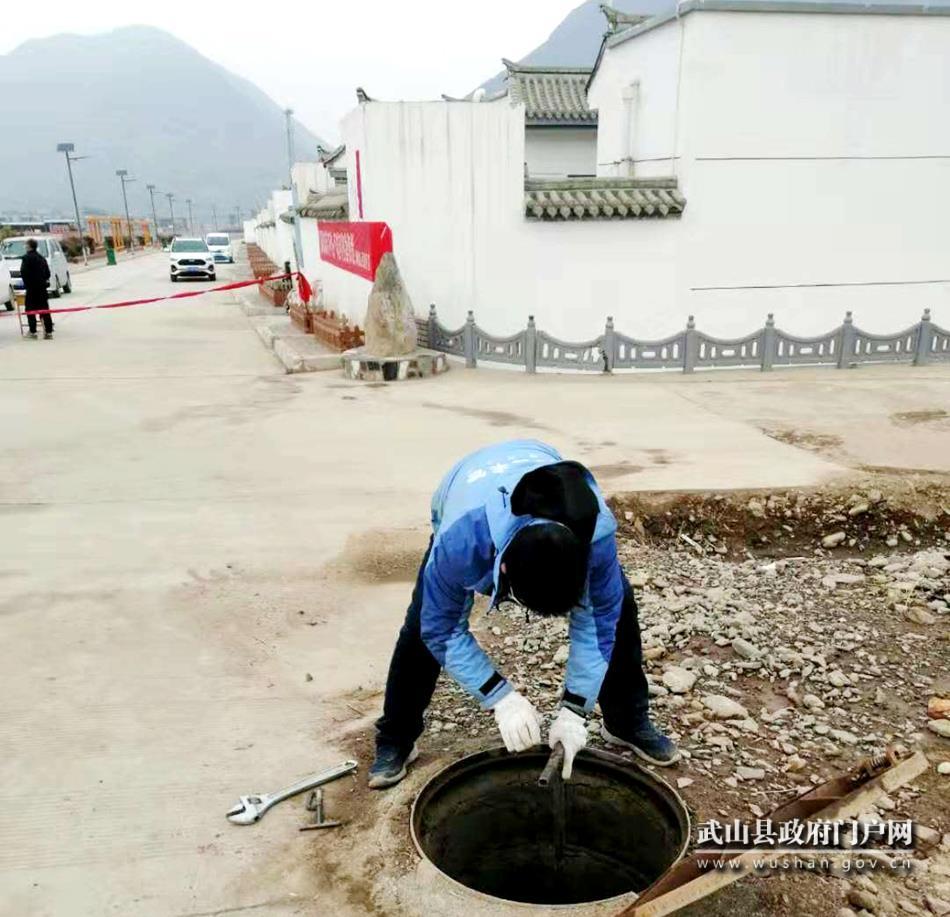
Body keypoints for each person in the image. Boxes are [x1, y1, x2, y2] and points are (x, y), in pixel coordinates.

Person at [369, 439, 678, 789]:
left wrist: (575, 711)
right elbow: (441, 630)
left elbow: (598, 621)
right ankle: (395, 737)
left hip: (535, 463)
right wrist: (501, 698)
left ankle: (626, 721)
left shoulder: (596, 531)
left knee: (617, 608)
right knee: (421, 626)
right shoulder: (460, 542)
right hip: (466, 488)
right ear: (501, 571)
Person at [20, 238, 54, 339]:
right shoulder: (41, 258)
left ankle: (33, 331)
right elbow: (48, 274)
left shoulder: (26, 258)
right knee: (44, 310)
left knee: (30, 310)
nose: (25, 246)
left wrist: (27, 284)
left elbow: (24, 273)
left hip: (31, 289)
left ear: (29, 246)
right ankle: (48, 332)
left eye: (26, 245)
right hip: (42, 289)